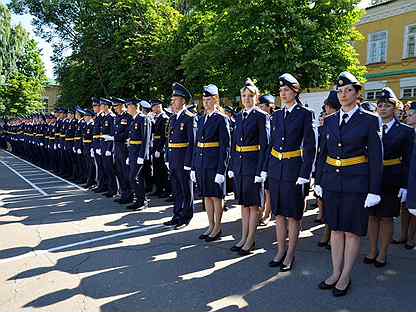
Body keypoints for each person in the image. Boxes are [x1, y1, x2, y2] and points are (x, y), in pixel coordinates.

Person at [315, 72, 383, 297]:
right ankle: (335, 272)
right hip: (332, 182)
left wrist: (374, 189)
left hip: (357, 183)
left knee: (352, 232)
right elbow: (322, 154)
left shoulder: (369, 120)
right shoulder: (330, 120)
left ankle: (345, 275)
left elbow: (375, 157)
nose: (343, 94)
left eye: (348, 90)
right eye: (340, 91)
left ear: (357, 93)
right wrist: (319, 181)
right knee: (335, 229)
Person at [264, 74, 316, 271]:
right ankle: (280, 251)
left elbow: (310, 146)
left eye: (286, 90)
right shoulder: (276, 115)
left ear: (295, 91)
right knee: (278, 213)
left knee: (293, 215)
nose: (283, 94)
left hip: (294, 170)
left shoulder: (305, 114)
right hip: (277, 169)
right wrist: (267, 169)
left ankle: (291, 254)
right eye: (281, 91)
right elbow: (271, 145)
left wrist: (306, 173)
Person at [364, 87, 414, 267]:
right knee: (371, 216)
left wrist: (405, 185)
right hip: (372, 178)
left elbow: (408, 161)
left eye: (386, 105)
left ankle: (383, 253)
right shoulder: (371, 127)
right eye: (379, 105)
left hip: (392, 179)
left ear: (394, 108)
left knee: (386, 217)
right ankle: (372, 250)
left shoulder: (406, 131)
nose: (382, 108)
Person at [228, 78, 269, 256]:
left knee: (253, 206)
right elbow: (234, 143)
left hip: (253, 165)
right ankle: (243, 237)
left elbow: (265, 145)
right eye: (244, 95)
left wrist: (262, 170)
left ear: (256, 97)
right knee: (243, 205)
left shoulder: (261, 116)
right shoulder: (238, 116)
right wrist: (232, 164)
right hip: (240, 165)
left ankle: (251, 240)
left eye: (250, 96)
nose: (246, 99)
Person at [191, 84, 230, 241]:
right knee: (206, 196)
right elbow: (196, 144)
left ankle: (217, 227)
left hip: (214, 163)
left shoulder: (221, 119)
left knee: (216, 197)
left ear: (216, 100)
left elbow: (225, 147)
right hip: (201, 162)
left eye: (209, 99)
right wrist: (194, 166)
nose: (206, 102)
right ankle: (210, 224)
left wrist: (222, 170)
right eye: (204, 99)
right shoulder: (201, 119)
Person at [164, 82, 195, 229]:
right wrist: (167, 158)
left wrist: (189, 162)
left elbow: (192, 143)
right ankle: (176, 214)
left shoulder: (189, 118)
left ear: (183, 101)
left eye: (175, 99)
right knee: (176, 189)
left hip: (183, 159)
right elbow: (168, 140)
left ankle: (186, 217)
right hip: (173, 158)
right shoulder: (173, 118)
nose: (172, 101)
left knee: (185, 189)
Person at [317, 91, 341, 248]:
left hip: (340, 169)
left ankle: (333, 234)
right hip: (327, 167)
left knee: (337, 205)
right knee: (327, 202)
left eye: (326, 105)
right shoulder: (326, 122)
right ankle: (328, 231)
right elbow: (322, 148)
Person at [126, 99, 150, 210]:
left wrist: (142, 156)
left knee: (135, 177)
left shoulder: (143, 119)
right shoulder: (133, 119)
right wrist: (129, 155)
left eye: (129, 106)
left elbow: (145, 139)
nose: (127, 108)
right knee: (134, 177)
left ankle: (143, 201)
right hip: (133, 153)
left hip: (139, 154)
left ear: (136, 107)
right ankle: (138, 200)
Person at [112, 98, 133, 204]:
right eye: (114, 107)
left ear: (122, 106)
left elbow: (128, 133)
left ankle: (130, 195)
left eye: (116, 106)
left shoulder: (128, 117)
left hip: (124, 148)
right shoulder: (117, 118)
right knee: (119, 172)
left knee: (126, 172)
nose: (115, 108)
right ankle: (124, 193)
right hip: (117, 148)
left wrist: (115, 137)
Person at [258, 95, 275, 226]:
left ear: (270, 106)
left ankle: (267, 213)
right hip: (260, 156)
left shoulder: (275, 119)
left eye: (263, 106)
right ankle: (260, 209)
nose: (260, 108)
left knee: (268, 188)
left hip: (272, 157)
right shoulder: (258, 118)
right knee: (262, 188)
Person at [150, 99, 170, 197]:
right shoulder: (156, 117)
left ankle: (165, 190)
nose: (152, 108)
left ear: (159, 106)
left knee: (163, 170)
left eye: (154, 106)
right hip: (155, 144)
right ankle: (158, 189)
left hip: (160, 147)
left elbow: (164, 136)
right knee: (156, 169)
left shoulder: (164, 118)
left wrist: (159, 149)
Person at [100, 98, 118, 198]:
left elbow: (112, 135)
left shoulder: (112, 117)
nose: (100, 107)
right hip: (103, 145)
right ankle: (109, 188)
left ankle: (114, 190)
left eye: (102, 105)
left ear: (107, 106)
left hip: (108, 147)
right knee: (106, 168)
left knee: (110, 169)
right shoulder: (105, 117)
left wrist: (109, 149)